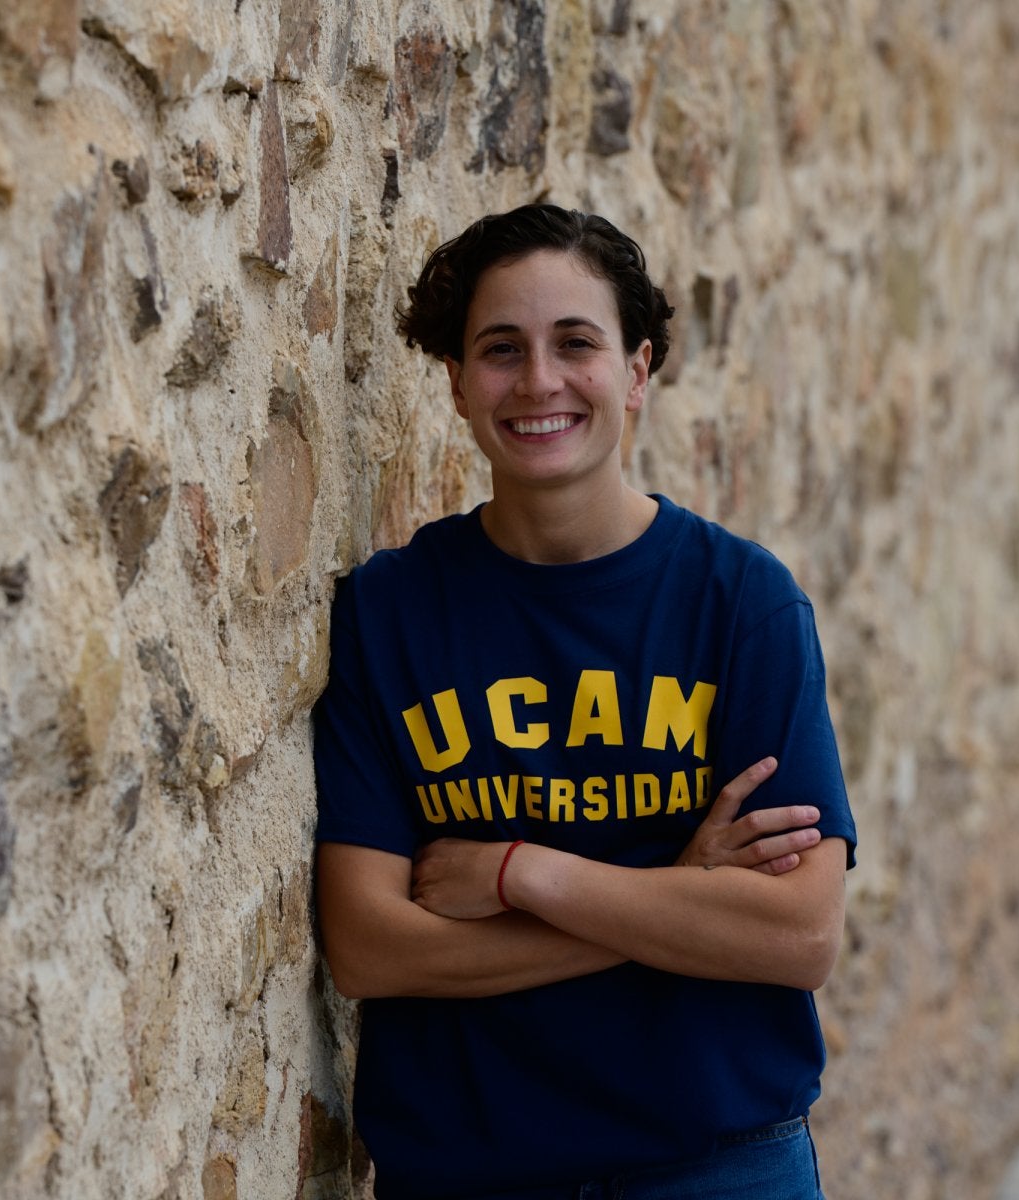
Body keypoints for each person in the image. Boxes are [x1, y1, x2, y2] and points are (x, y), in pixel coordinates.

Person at [312, 204, 856, 1200]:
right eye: (500, 350)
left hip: (722, 1168)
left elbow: (796, 935)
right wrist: (678, 889)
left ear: (638, 369)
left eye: (577, 344)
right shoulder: (389, 613)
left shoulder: (741, 605)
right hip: (470, 1174)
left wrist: (521, 871)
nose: (540, 382)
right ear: (458, 383)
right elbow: (369, 948)